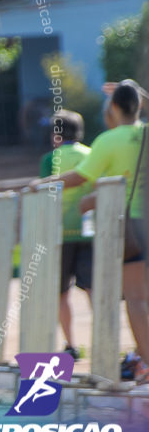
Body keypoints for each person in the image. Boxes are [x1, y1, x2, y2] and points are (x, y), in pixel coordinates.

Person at [36, 80, 149, 382]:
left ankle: (147, 363)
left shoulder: (109, 141)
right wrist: (137, 94)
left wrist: (41, 184)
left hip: (131, 226)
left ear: (113, 107)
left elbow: (79, 177)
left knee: (137, 298)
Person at [39, 110, 94, 361]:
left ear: (56, 135)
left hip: (61, 234)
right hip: (89, 231)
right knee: (94, 288)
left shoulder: (50, 159)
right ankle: (102, 337)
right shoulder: (91, 154)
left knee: (62, 292)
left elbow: (45, 196)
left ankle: (71, 344)